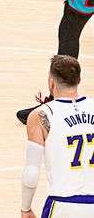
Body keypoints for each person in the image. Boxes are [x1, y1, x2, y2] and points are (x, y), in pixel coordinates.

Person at [20, 55, 94, 216]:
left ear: (51, 82)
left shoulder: (41, 115)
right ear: (79, 81)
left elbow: (32, 171)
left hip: (63, 204)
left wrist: (25, 208)